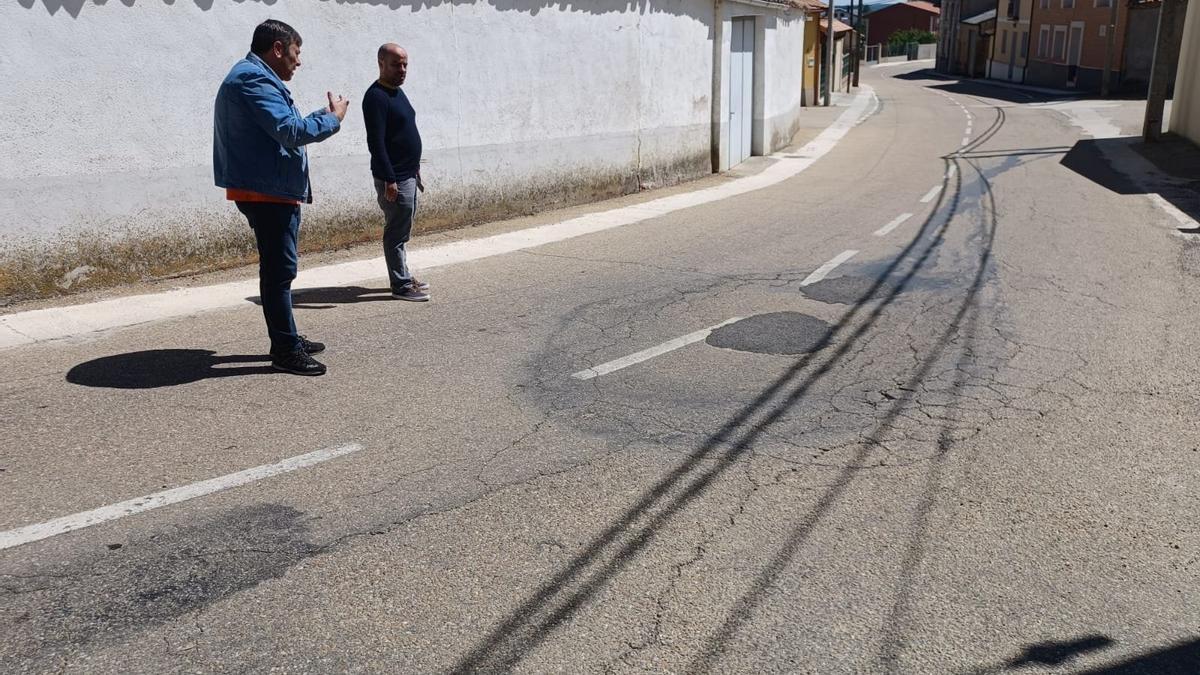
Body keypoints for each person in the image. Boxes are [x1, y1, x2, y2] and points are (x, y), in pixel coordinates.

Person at [214, 20, 350, 376]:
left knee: (279, 270)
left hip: (269, 188)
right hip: (267, 192)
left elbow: (282, 126)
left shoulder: (256, 77)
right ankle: (285, 349)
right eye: (295, 52)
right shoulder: (253, 79)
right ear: (277, 48)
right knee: (278, 271)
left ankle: (286, 337)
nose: (298, 61)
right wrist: (333, 121)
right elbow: (289, 132)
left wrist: (322, 115)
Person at [363, 43, 431, 302]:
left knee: (403, 229)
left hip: (407, 174)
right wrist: (389, 179)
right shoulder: (376, 97)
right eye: (396, 64)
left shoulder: (397, 93)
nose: (402, 70)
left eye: (405, 65)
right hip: (394, 178)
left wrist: (414, 168)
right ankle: (400, 285)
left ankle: (403, 274)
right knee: (395, 231)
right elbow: (376, 143)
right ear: (381, 63)